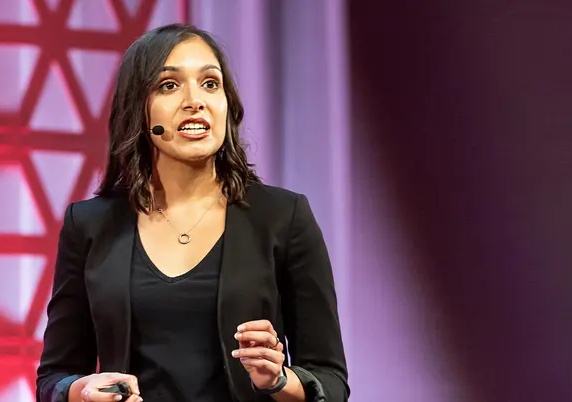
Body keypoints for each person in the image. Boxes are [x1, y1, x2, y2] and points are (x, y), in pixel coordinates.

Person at [35, 23, 348, 402]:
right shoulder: (89, 224)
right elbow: (54, 377)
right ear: (138, 107)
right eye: (169, 85)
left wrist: (280, 380)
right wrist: (78, 390)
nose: (194, 100)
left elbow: (330, 380)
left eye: (210, 83)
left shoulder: (284, 216)